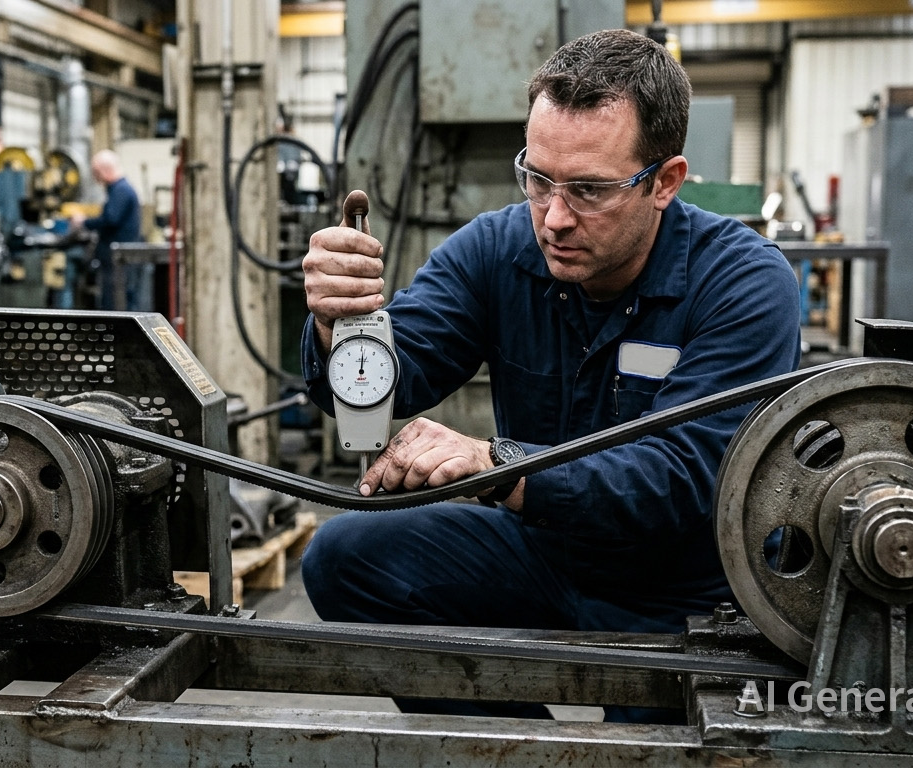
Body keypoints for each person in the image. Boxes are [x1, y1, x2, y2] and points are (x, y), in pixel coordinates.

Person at [298, 29, 801, 718]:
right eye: (538, 179)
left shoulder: (743, 281)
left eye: (589, 190)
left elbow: (686, 480)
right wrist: (340, 325)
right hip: (547, 556)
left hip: (688, 593)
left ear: (665, 182)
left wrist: (497, 464)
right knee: (345, 558)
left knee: (650, 747)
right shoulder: (497, 250)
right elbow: (391, 378)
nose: (555, 218)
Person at [72, 149, 141, 310]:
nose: (96, 178)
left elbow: (111, 218)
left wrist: (84, 222)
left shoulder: (121, 190)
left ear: (104, 170)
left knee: (116, 303)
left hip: (118, 258)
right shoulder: (118, 190)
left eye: (96, 173)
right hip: (114, 258)